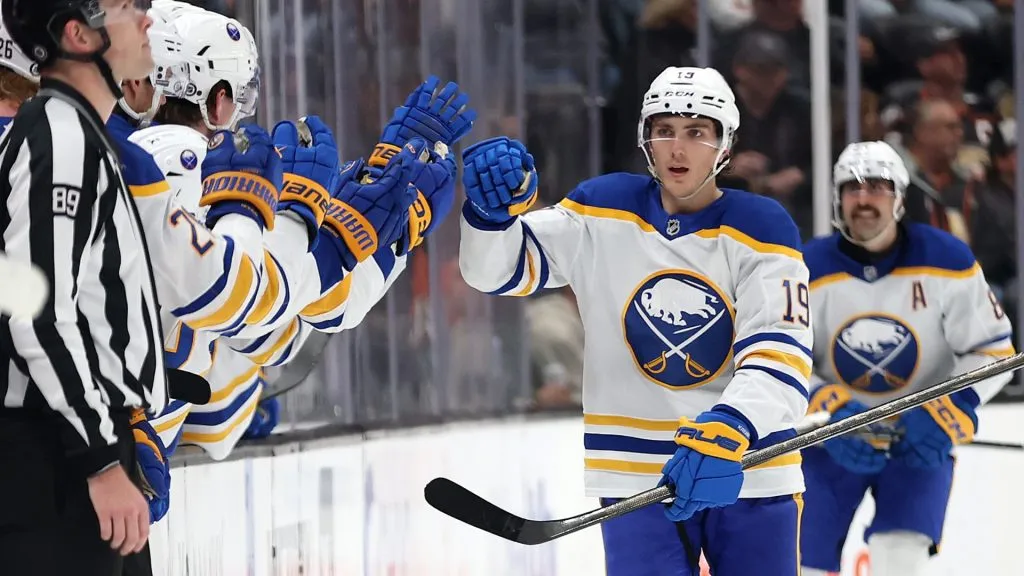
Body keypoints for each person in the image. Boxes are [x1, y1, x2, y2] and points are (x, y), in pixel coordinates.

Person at [458, 65, 813, 575]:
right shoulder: (601, 208)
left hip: (748, 467)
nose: (677, 149)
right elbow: (499, 269)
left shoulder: (761, 226)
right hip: (632, 474)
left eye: (697, 133)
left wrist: (734, 424)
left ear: (725, 145)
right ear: (645, 138)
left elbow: (780, 350)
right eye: (664, 130)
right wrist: (491, 216)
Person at [799, 141, 1015, 576]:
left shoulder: (947, 259)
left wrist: (949, 407)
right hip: (832, 440)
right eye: (853, 188)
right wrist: (827, 407)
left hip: (919, 438)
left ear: (898, 197)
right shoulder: (805, 267)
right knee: (803, 564)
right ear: (837, 198)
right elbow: (781, 358)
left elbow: (994, 351)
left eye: (877, 187)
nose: (864, 199)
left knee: (900, 561)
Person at [0, 0, 162, 573]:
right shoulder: (59, 135)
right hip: (56, 467)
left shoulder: (77, 134)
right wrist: (98, 459)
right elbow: (36, 310)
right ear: (78, 33)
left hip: (74, 447)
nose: (146, 19)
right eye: (127, 7)